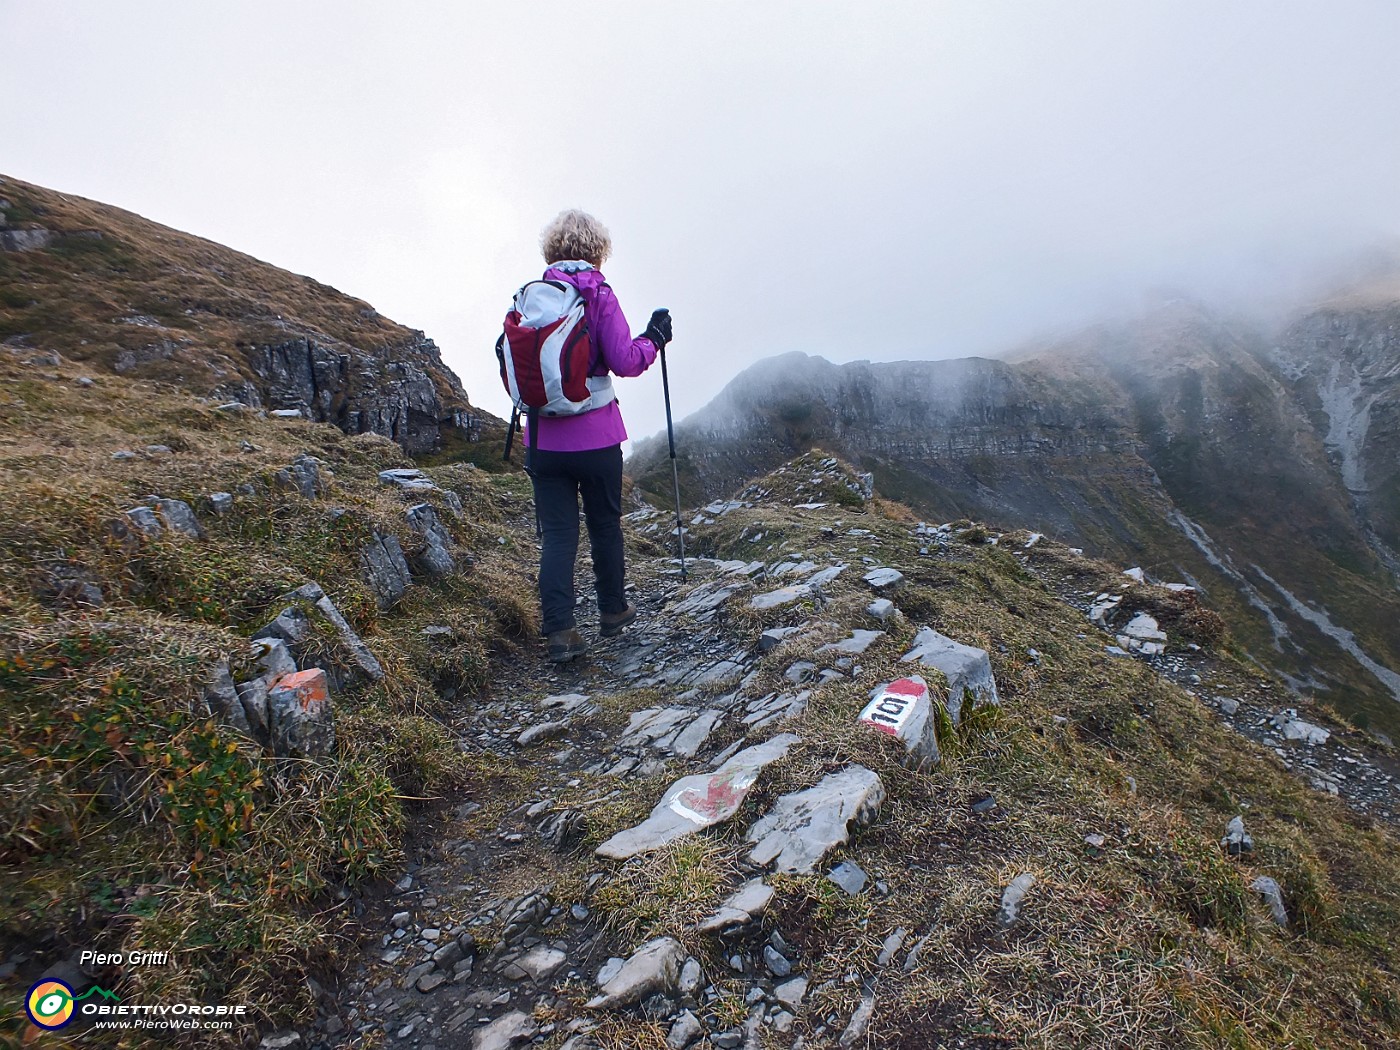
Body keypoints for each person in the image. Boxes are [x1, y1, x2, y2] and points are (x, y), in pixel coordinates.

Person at [525, 209, 672, 662]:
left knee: (558, 534)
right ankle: (612, 611)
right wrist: (655, 338)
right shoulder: (598, 294)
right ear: (597, 251)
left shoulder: (532, 298)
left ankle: (560, 631)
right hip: (596, 435)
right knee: (604, 525)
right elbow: (626, 360)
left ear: (552, 250)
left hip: (544, 440)